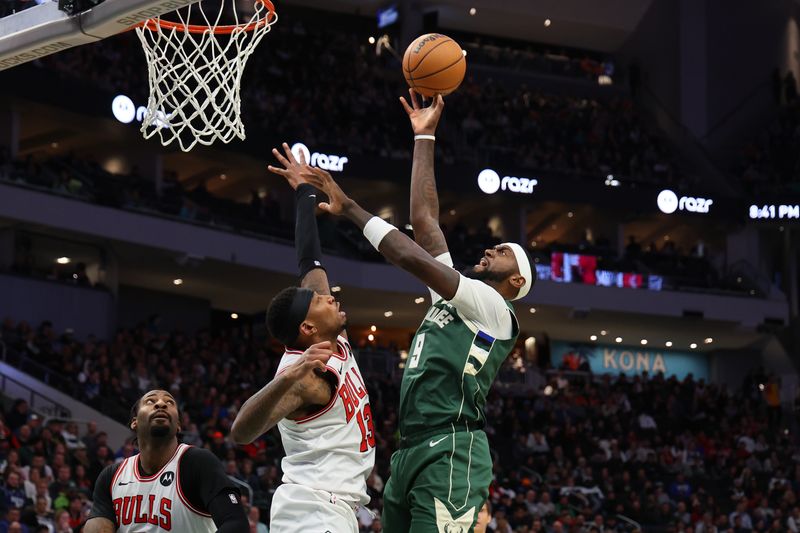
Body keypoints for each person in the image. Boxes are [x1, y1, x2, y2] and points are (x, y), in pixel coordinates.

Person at [300, 91, 535, 533]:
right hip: (411, 449)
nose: (490, 248)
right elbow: (425, 224)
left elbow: (413, 258)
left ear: (516, 282)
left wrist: (350, 207)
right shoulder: (456, 299)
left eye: (502, 251)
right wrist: (424, 138)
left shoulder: (495, 308)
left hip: (450, 449)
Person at [231, 144, 375, 533]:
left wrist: (303, 190)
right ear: (308, 329)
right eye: (321, 301)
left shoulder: (329, 334)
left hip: (329, 507)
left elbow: (309, 260)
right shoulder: (306, 375)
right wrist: (286, 379)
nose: (329, 295)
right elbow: (241, 432)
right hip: (313, 510)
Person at [84, 389, 248, 532]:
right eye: (151, 401)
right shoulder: (111, 477)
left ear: (178, 425)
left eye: (170, 402)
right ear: (134, 422)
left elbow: (236, 524)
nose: (161, 404)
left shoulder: (196, 462)